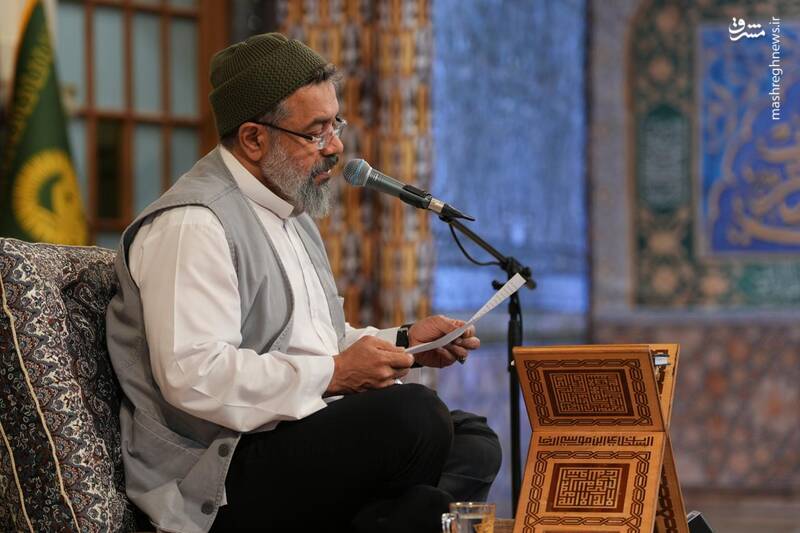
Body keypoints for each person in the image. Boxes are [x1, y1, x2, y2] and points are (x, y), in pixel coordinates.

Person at [106, 32, 500, 533]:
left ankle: (399, 517)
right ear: (254, 139)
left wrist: (404, 343)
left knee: (474, 441)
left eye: (336, 124)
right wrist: (334, 375)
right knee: (415, 418)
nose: (336, 147)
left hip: (290, 431)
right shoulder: (194, 223)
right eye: (316, 133)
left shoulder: (290, 210)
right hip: (217, 470)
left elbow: (315, 341)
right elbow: (194, 375)